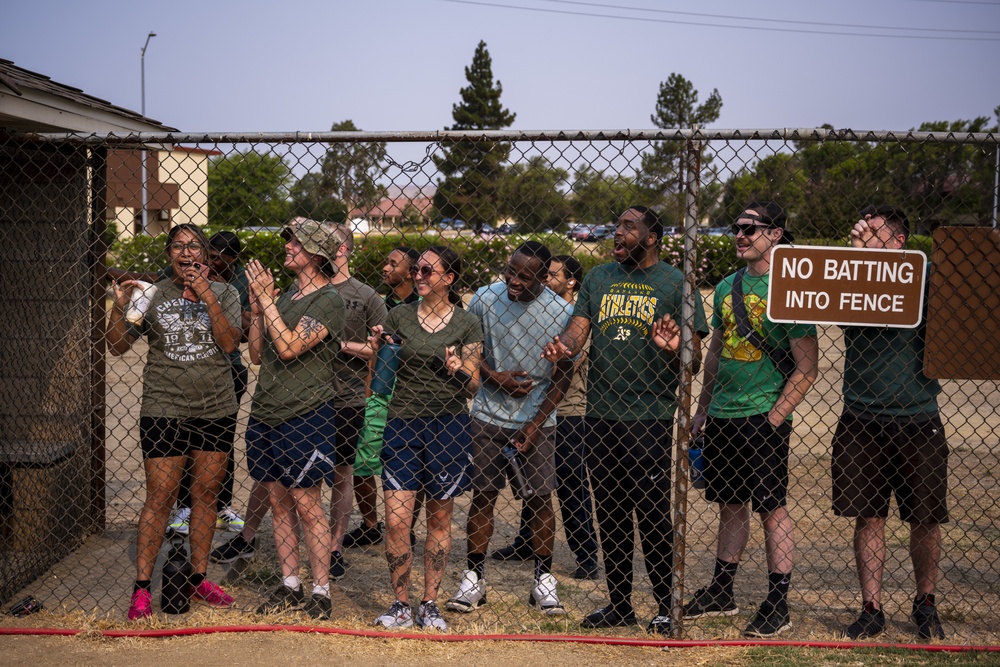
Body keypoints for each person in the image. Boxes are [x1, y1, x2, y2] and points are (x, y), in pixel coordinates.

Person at [543, 206, 708, 634]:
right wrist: (564, 347)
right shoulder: (598, 278)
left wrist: (676, 348)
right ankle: (619, 603)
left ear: (651, 237)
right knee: (611, 510)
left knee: (652, 513)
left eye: (628, 227)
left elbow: (696, 362)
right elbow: (579, 330)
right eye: (616, 226)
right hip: (600, 412)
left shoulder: (676, 283)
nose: (618, 233)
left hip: (648, 415)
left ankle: (666, 605)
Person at [685, 201, 818, 638]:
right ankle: (723, 592)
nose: (739, 236)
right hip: (723, 414)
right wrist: (703, 409)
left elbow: (806, 366)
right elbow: (717, 353)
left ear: (776, 234)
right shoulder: (727, 287)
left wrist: (774, 419)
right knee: (730, 505)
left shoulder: (792, 289)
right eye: (735, 228)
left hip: (763, 416)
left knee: (772, 509)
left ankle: (778, 603)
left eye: (749, 228)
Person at [107, 223, 241, 620]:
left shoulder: (226, 292)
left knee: (206, 496)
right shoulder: (151, 295)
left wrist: (205, 294)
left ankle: (197, 580)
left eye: (195, 246)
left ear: (205, 255)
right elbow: (117, 346)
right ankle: (143, 588)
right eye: (179, 246)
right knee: (161, 496)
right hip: (164, 406)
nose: (187, 253)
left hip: (216, 406)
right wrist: (120, 305)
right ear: (169, 255)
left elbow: (231, 342)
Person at [833, 206, 948, 640]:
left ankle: (926, 601)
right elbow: (843, 315)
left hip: (918, 414)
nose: (861, 232)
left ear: (898, 241)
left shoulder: (924, 278)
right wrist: (859, 261)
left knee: (925, 517)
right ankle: (871, 607)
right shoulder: (848, 274)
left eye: (873, 229)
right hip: (861, 415)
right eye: (859, 226)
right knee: (869, 517)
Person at [445, 242, 575, 617]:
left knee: (539, 500)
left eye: (524, 275)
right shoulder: (486, 298)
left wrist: (536, 423)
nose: (513, 280)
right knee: (483, 496)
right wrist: (494, 376)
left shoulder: (562, 311)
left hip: (538, 420)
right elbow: (471, 351)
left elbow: (564, 374)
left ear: (543, 277)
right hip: (487, 414)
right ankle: (474, 578)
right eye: (510, 271)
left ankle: (543, 580)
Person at [370, 246, 483, 631]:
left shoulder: (467, 323)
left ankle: (429, 602)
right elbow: (380, 380)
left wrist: (456, 369)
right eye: (416, 269)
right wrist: (376, 351)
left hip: (448, 426)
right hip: (403, 423)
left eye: (427, 271)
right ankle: (400, 603)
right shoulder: (398, 316)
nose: (418, 276)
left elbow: (472, 386)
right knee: (397, 521)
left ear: (448, 278)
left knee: (439, 518)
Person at [246, 219, 345, 620]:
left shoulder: (328, 301)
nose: (287, 247)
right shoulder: (285, 296)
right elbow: (257, 354)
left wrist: (268, 302)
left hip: (305, 414)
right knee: (277, 500)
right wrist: (257, 309)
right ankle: (291, 583)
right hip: (266, 411)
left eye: (295, 243)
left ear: (316, 255)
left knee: (307, 504)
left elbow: (289, 348)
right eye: (287, 241)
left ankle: (320, 589)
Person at [489, 254, 600, 580]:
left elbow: (564, 368)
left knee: (568, 483)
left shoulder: (576, 319)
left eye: (552, 274)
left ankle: (586, 553)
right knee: (532, 481)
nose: (546, 279)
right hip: (533, 409)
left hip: (567, 411)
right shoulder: (537, 312)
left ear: (571, 282)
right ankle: (527, 541)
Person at [169, 231, 251, 536]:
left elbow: (241, 331)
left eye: (219, 258)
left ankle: (221, 506)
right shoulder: (185, 271)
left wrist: (219, 302)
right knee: (183, 440)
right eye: (209, 256)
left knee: (220, 442)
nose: (213, 263)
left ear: (233, 260)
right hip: (188, 367)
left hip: (227, 369)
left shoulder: (239, 282)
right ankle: (185, 505)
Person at [345, 246, 421, 549]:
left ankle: (407, 527)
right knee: (362, 463)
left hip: (413, 394)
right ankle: (370, 524)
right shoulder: (379, 304)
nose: (386, 268)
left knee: (413, 465)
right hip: (378, 391)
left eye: (393, 263)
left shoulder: (424, 305)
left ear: (412, 270)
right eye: (385, 261)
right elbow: (372, 349)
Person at [326, 223, 388, 580]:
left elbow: (381, 352)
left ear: (345, 249)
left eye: (331, 244)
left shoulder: (367, 296)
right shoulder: (304, 290)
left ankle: (334, 546)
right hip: (309, 394)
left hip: (347, 397)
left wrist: (341, 345)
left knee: (342, 472)